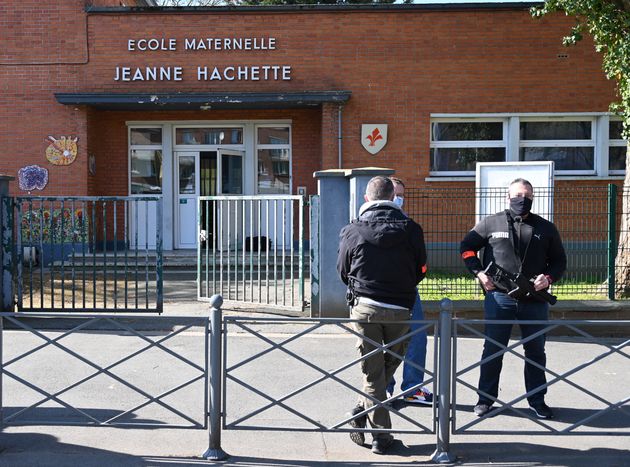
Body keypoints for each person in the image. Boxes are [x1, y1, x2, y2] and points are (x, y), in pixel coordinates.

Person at [460, 178, 566, 420]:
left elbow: (560, 261)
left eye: (527, 196)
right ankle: (485, 400)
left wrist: (548, 279)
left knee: (536, 352)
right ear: (508, 197)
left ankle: (537, 401)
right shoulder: (490, 223)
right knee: (493, 350)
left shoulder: (546, 228)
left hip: (535, 299)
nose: (523, 200)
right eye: (518, 195)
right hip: (500, 297)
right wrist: (478, 273)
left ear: (533, 198)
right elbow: (466, 247)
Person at [337, 176, 427, 454]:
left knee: (373, 374)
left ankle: (368, 418)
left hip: (365, 308)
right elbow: (422, 268)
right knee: (389, 364)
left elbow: (343, 269)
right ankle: (381, 436)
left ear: (367, 198)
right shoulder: (412, 229)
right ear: (393, 197)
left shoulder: (352, 229)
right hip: (401, 307)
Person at [386, 177, 433, 405]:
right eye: (395, 193)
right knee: (384, 340)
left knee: (417, 337)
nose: (398, 198)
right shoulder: (365, 222)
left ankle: (412, 388)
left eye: (402, 194)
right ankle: (383, 388)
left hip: (408, 290)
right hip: (380, 293)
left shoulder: (409, 225)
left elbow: (421, 263)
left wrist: (412, 278)